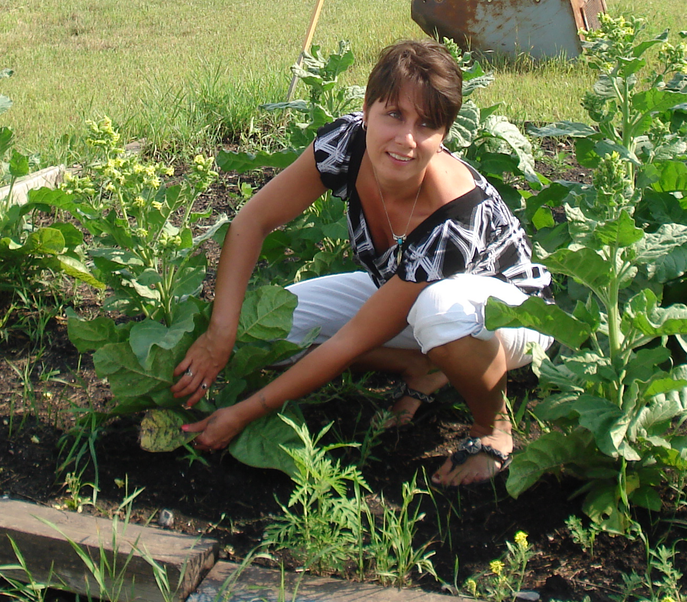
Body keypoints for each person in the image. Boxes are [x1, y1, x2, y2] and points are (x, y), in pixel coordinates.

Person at [172, 40, 553, 486]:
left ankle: (494, 426)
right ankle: (421, 368)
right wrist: (221, 334)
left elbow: (347, 343)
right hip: (407, 294)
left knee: (440, 310)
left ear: (445, 135)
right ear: (367, 110)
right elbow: (252, 221)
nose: (406, 139)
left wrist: (242, 414)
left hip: (510, 316)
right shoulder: (345, 143)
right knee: (277, 327)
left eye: (427, 124)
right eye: (394, 114)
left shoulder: (455, 214)